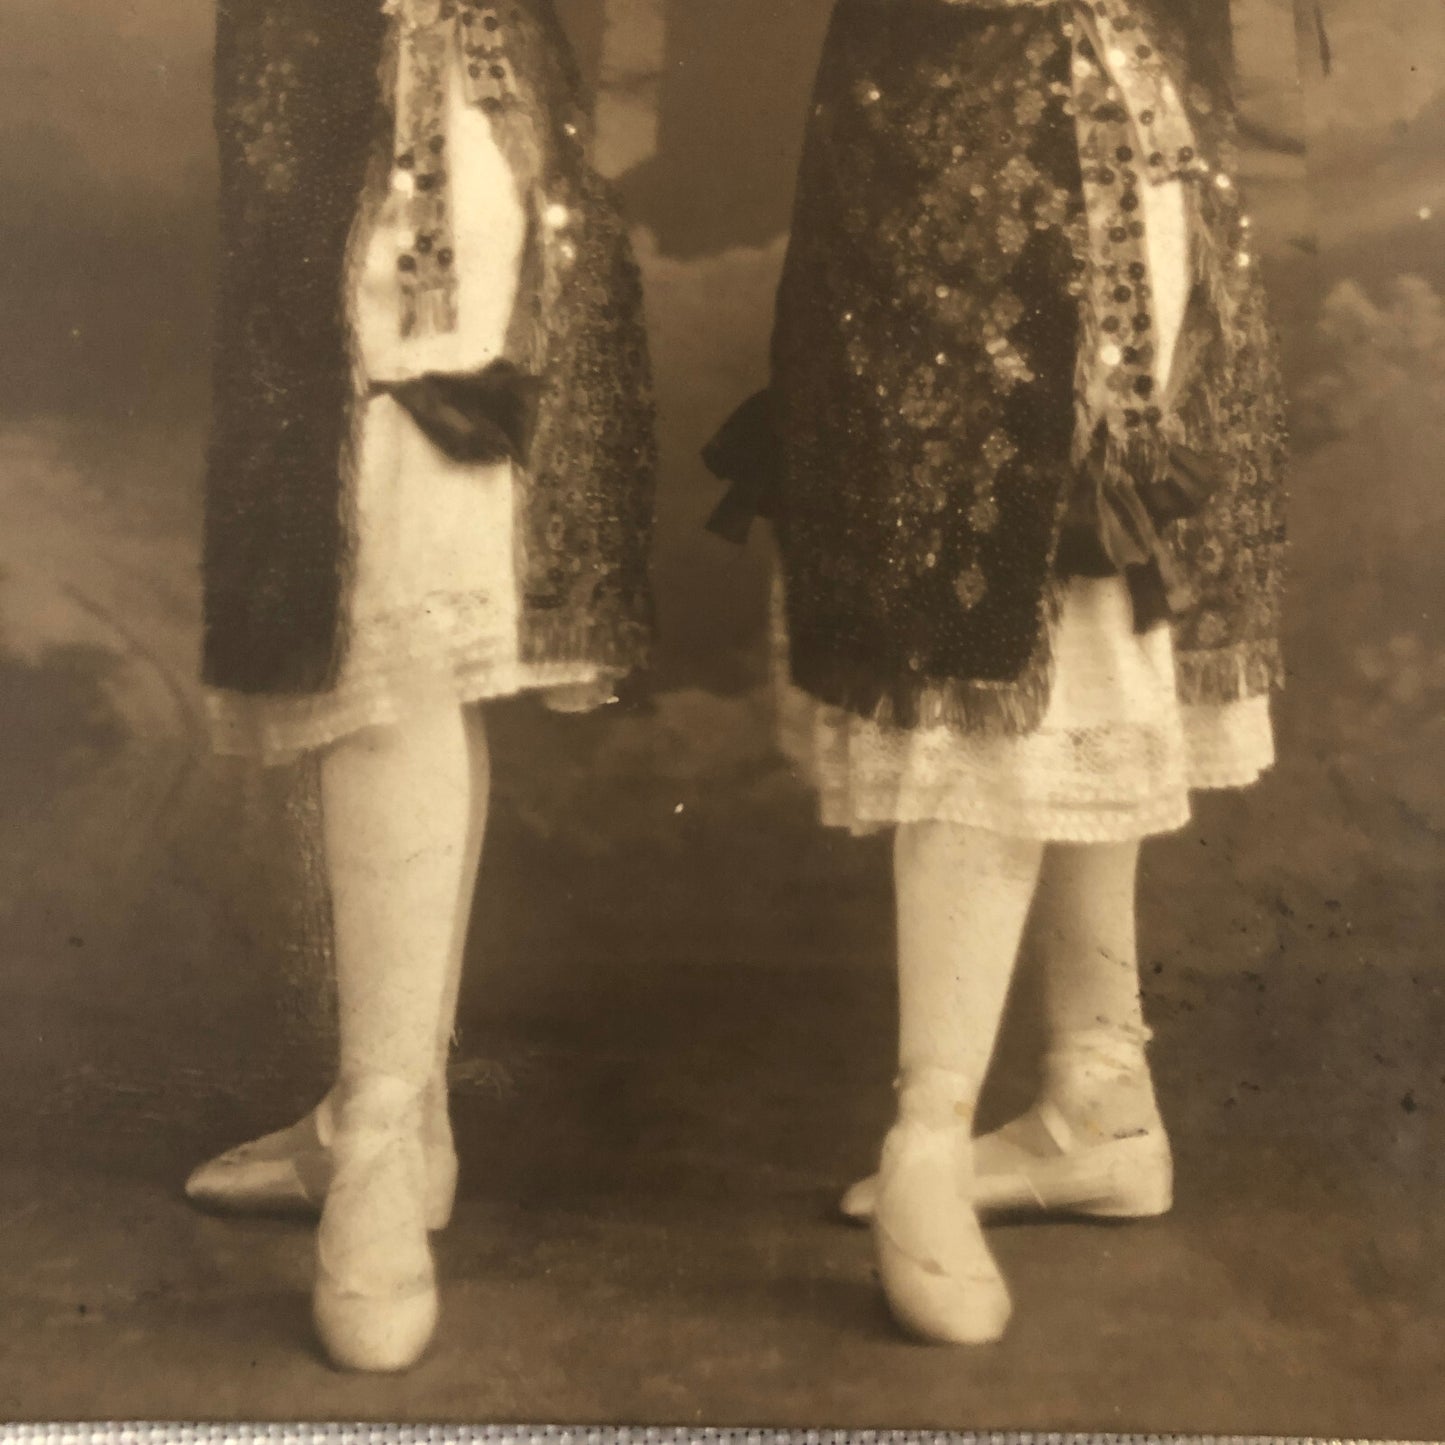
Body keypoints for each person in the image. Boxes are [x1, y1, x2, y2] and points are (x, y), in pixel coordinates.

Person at [705, 0, 1287, 1344]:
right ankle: (1095, 1097)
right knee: (1015, 604)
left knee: (1054, 610)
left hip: (1096, 138)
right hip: (948, 130)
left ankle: (950, 1128)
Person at [188, 0, 656, 1372]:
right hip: (333, 92)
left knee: (394, 628)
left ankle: (383, 1140)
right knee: (404, 634)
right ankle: (393, 1118)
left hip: (461, 126)